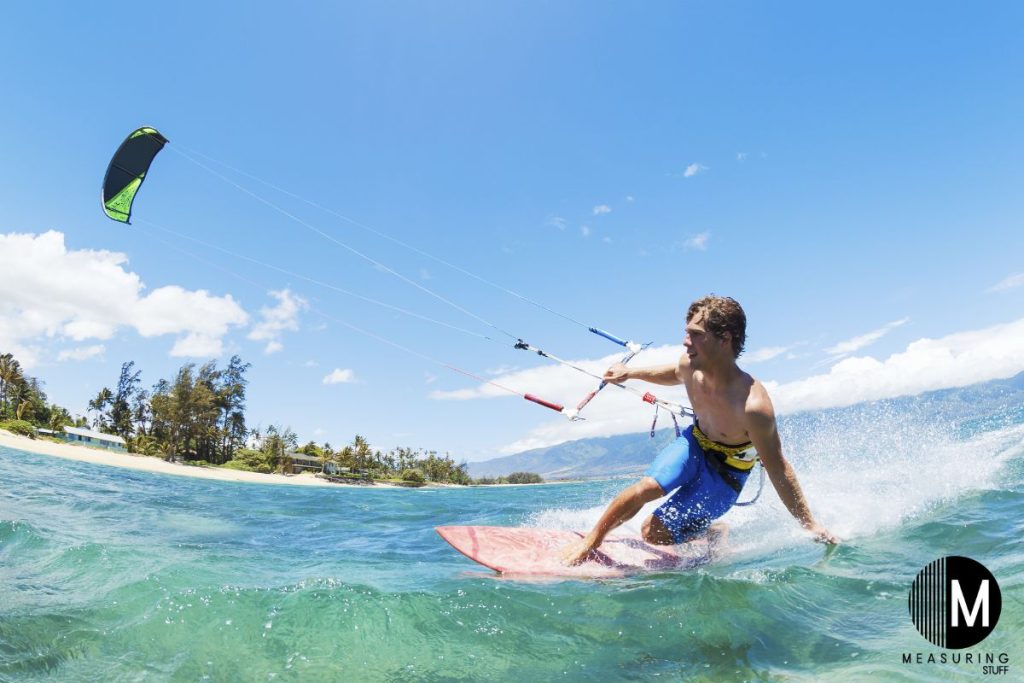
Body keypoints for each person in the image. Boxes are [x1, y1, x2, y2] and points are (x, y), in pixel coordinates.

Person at [561, 295, 837, 566]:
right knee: (647, 487)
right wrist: (631, 373)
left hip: (725, 473)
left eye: (696, 334)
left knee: (651, 533)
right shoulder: (690, 365)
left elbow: (778, 467)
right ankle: (591, 541)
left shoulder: (753, 406)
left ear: (725, 338)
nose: (685, 341)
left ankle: (714, 531)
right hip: (695, 443)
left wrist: (809, 523)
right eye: (687, 333)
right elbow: (672, 373)